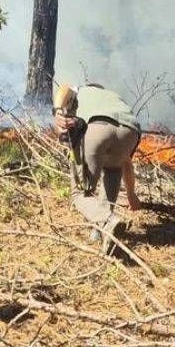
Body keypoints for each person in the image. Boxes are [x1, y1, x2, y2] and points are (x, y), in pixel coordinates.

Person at [52, 83, 142, 254]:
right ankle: (99, 233)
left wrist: (57, 110)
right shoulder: (113, 97)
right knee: (113, 169)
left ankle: (108, 219)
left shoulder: (81, 91)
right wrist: (131, 195)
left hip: (98, 127)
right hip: (131, 132)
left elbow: (65, 88)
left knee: (79, 194)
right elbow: (126, 164)